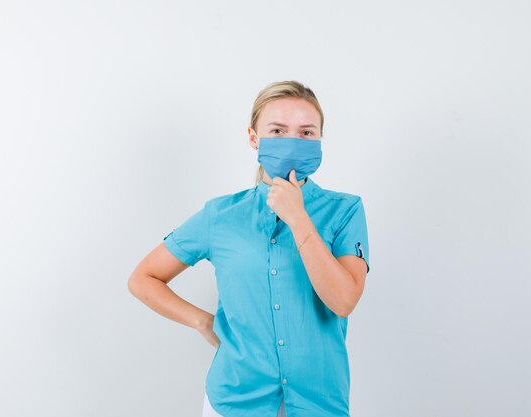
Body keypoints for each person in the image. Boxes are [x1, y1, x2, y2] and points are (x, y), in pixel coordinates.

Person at [128, 80, 370, 417]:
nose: (292, 141)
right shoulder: (220, 215)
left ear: (319, 140)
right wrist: (202, 322)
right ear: (254, 138)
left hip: (320, 401)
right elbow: (144, 278)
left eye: (306, 132)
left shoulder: (345, 211)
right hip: (236, 401)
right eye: (277, 129)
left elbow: (343, 301)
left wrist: (298, 219)